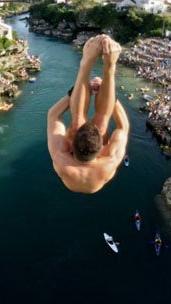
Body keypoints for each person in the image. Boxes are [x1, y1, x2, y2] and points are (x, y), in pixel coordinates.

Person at [47, 35, 130, 193]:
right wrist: (111, 96)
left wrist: (74, 94)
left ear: (71, 145)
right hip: (99, 174)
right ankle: (108, 67)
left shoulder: (61, 159)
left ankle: (87, 64)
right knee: (102, 122)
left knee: (79, 121)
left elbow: (53, 115)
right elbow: (123, 128)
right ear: (101, 149)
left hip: (73, 171)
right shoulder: (109, 161)